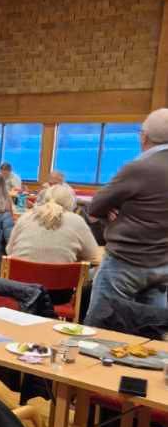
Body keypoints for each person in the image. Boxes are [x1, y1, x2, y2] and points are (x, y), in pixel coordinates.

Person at [86, 108, 168, 324]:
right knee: (151, 334)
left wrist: (116, 210)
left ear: (144, 137)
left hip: (126, 262)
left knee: (100, 328)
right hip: (163, 266)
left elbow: (95, 206)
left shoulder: (139, 168)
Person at [6, 184, 100, 265]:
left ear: (44, 199)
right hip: (61, 283)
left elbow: (9, 250)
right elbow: (93, 256)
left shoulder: (26, 217)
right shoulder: (77, 221)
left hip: (19, 282)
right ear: (71, 203)